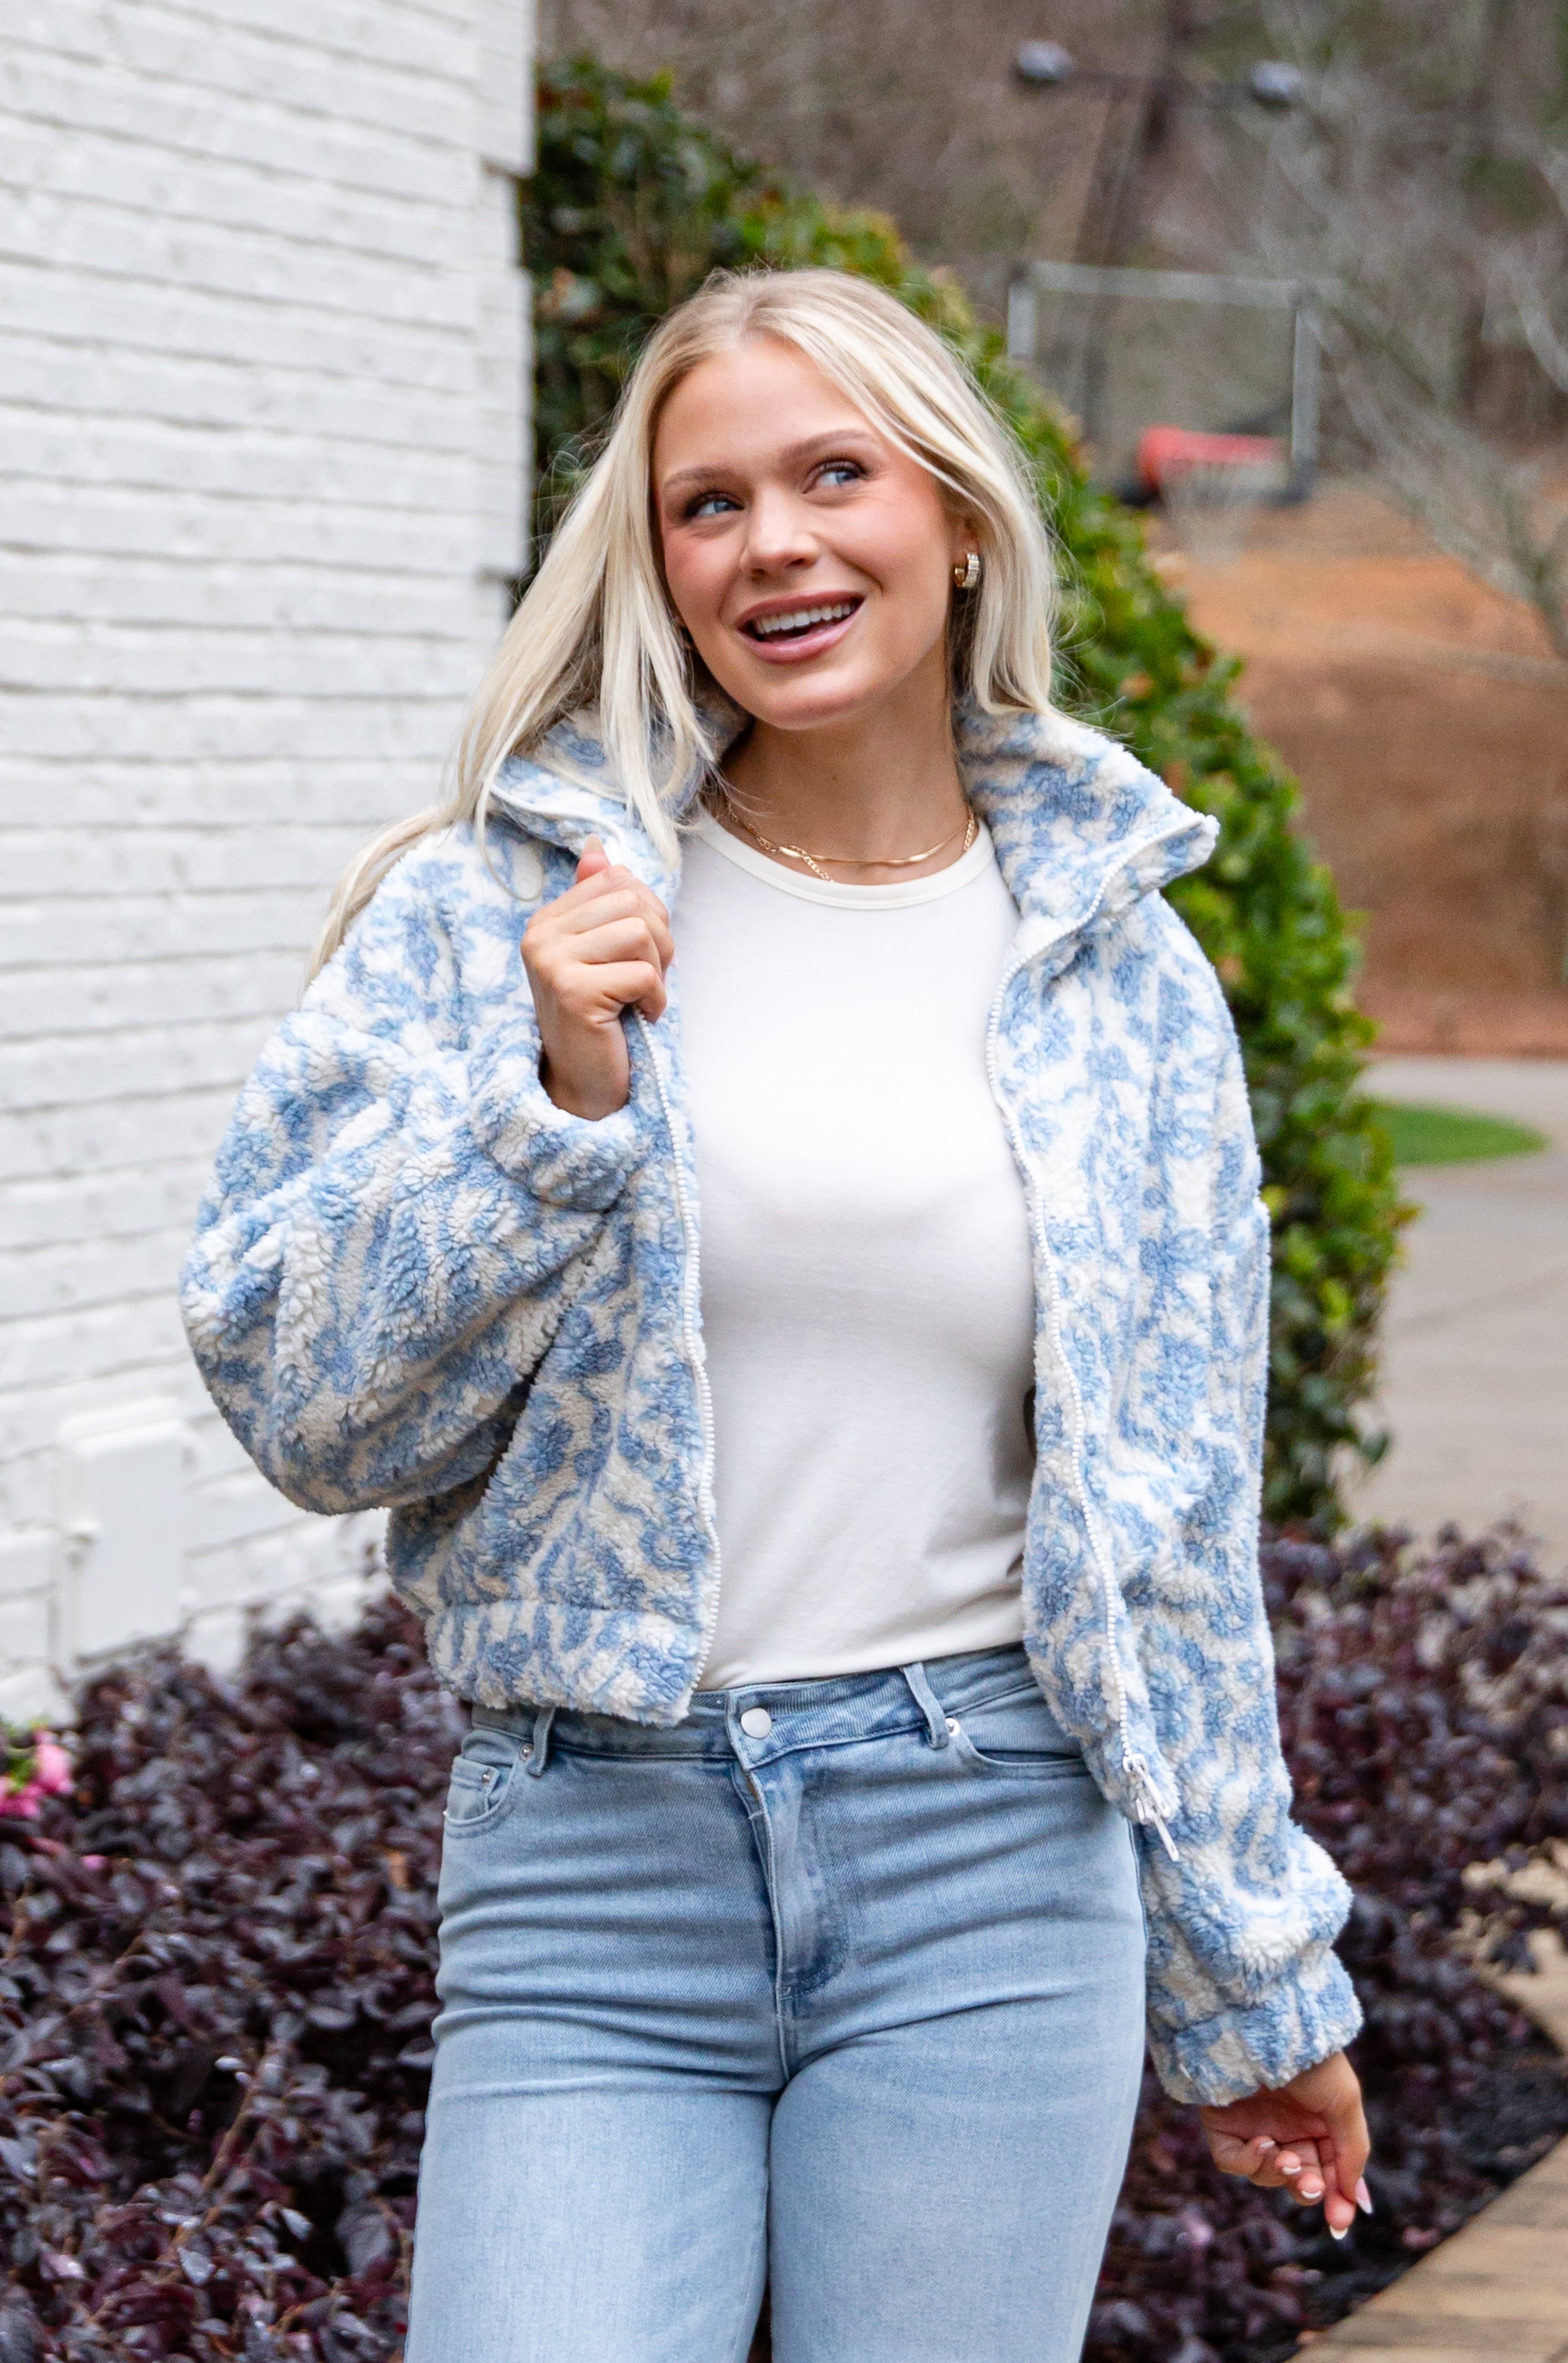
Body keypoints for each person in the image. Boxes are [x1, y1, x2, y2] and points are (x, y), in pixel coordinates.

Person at [182, 268, 1371, 2363]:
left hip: (989, 1857)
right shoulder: (502, 907)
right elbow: (301, 1399)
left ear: (961, 517)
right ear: (654, 565)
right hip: (589, 1859)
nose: (775, 544)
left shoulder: (1114, 965)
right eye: (707, 504)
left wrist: (1250, 1981)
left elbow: (1173, 1523)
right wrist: (549, 1108)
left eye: (834, 475)